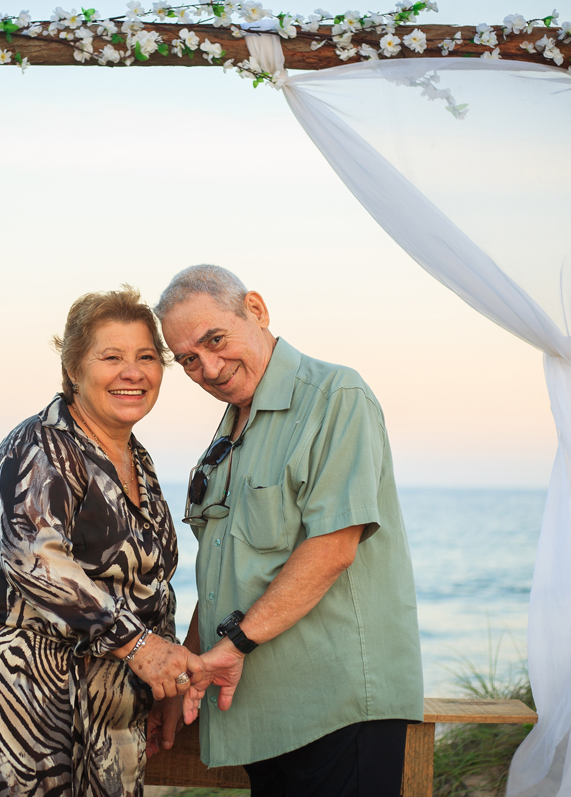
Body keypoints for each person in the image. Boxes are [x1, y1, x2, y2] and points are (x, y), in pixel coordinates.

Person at [154, 265, 424, 797]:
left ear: (255, 309)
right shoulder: (231, 427)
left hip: (337, 710)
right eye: (188, 359)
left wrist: (230, 648)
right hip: (259, 710)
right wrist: (187, 672)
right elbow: (223, 571)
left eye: (215, 340)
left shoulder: (336, 395)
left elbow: (333, 548)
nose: (208, 367)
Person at [0, 286, 201, 797]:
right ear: (74, 369)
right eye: (112, 357)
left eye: (147, 357)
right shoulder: (39, 445)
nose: (133, 372)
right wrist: (142, 648)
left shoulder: (137, 460)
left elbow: (151, 584)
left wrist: (167, 683)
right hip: (19, 689)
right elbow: (37, 561)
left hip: (109, 704)